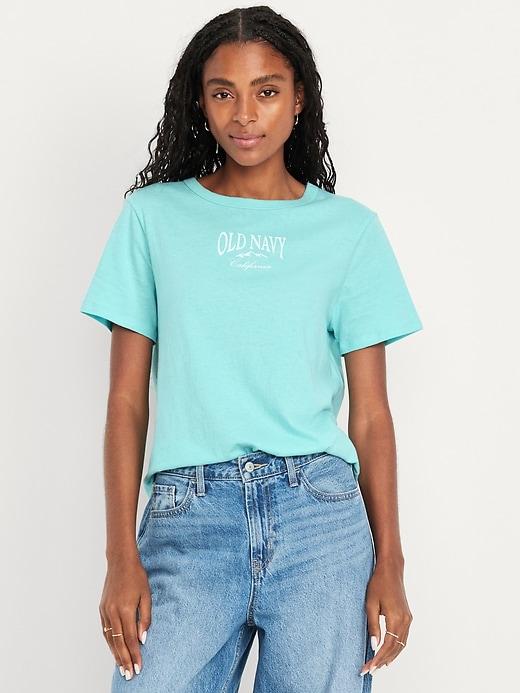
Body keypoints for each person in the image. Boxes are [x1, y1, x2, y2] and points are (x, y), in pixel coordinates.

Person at [80, 6, 423, 692]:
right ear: (198, 102)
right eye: (223, 92)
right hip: (188, 517)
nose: (244, 114)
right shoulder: (152, 218)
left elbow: (371, 415)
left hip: (320, 520)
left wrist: (391, 562)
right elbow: (125, 401)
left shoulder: (350, 232)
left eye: (266, 91)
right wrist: (120, 556)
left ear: (299, 99)